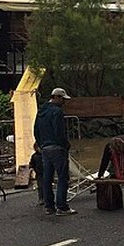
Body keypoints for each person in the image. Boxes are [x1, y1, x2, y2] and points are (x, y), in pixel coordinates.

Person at [33, 87, 76, 216]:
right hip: (57, 148)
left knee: (47, 177)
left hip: (45, 148)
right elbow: (59, 131)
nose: (64, 102)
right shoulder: (57, 112)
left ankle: (49, 206)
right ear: (56, 97)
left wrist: (41, 144)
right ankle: (62, 207)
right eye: (63, 99)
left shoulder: (41, 111)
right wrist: (66, 145)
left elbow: (36, 130)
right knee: (63, 177)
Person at [97, 135, 124, 206]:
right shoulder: (108, 147)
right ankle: (115, 196)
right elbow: (104, 161)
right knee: (113, 174)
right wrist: (100, 174)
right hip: (114, 153)